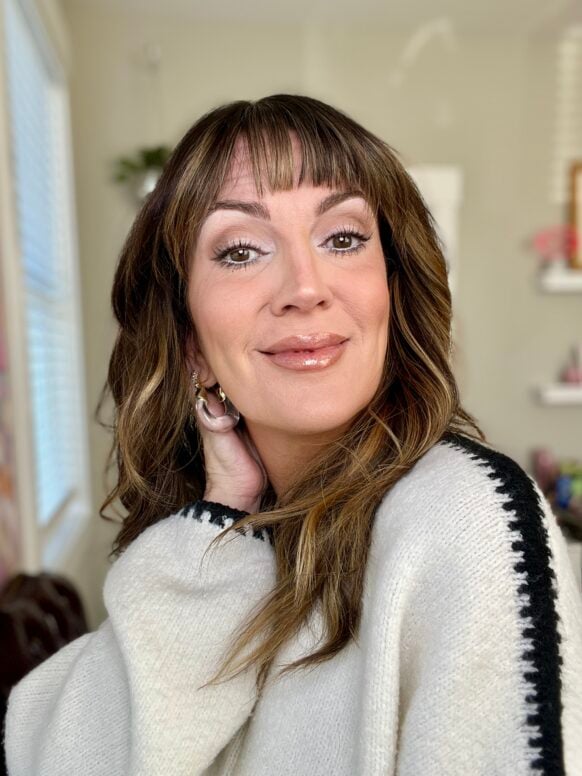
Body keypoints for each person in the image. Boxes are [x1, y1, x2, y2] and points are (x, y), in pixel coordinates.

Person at [3, 94, 582, 776]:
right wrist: (222, 512)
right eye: (241, 250)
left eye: (343, 238)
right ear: (190, 340)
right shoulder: (231, 542)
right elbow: (60, 757)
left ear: (391, 293)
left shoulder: (466, 519)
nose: (305, 287)